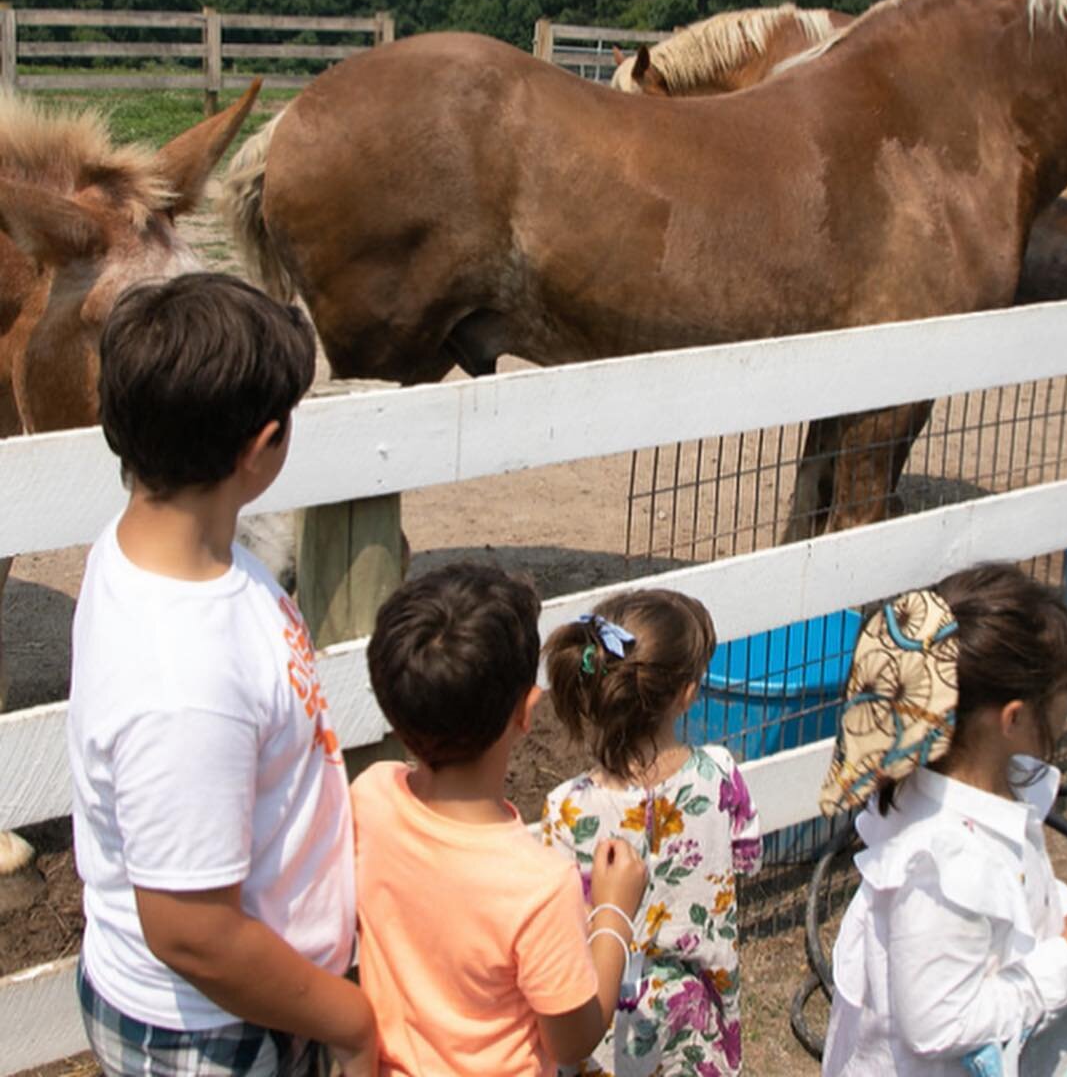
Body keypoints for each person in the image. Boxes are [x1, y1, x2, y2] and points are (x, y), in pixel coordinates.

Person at [68, 272, 373, 1077]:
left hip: (235, 1005)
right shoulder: (186, 680)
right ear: (259, 447)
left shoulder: (159, 549)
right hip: (220, 1031)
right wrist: (347, 1015)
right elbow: (191, 931)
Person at [819, 566, 1067, 1077]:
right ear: (1014, 718)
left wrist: (1065, 912)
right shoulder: (943, 863)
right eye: (1066, 684)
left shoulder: (974, 788)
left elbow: (1009, 882)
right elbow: (937, 1027)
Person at [353, 562, 648, 1077]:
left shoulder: (370, 797)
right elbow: (574, 1038)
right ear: (526, 711)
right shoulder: (537, 888)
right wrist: (613, 916)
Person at [540, 590, 762, 1077]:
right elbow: (748, 859)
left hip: (602, 1037)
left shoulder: (566, 808)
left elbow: (558, 924)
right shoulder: (722, 776)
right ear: (686, 694)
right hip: (699, 1032)